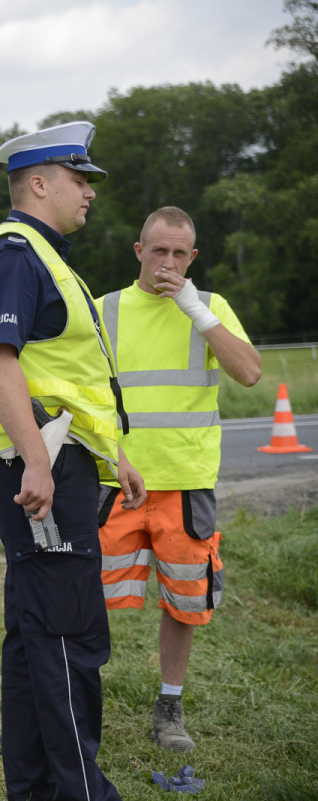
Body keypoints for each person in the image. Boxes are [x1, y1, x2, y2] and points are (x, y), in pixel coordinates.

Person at [0, 120, 146, 801]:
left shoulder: (46, 255)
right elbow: (0, 361)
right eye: (79, 179)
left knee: (36, 634)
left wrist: (112, 454)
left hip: (58, 461)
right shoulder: (14, 252)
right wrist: (38, 463)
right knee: (70, 636)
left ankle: (37, 789)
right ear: (38, 183)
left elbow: (69, 375)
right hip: (35, 465)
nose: (89, 192)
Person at [97, 206, 261, 751]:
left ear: (192, 257)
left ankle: (169, 706)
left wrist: (195, 311)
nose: (167, 262)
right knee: (80, 594)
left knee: (183, 602)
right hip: (113, 483)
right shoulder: (105, 311)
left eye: (178, 253)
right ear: (138, 251)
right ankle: (68, 701)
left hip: (186, 484)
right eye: (157, 250)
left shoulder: (211, 307)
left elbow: (249, 373)